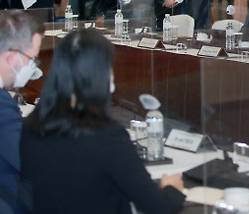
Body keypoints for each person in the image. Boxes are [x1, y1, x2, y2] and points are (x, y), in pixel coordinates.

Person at [20, 29, 186, 214]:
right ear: (99, 75)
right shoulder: (108, 136)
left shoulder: (31, 126)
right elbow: (157, 207)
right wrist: (172, 188)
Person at [0, 10, 43, 211]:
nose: (33, 67)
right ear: (10, 57)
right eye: (32, 58)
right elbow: (29, 163)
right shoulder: (2, 108)